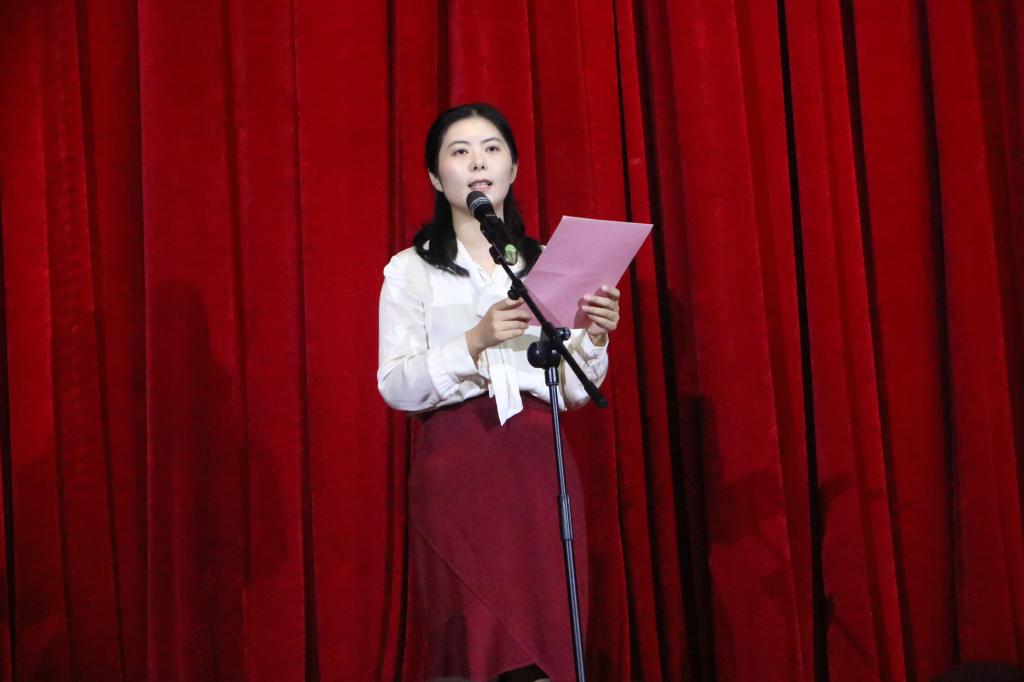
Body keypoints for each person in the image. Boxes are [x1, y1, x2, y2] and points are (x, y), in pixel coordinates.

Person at [377, 103, 621, 682]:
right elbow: (395, 384)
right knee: (473, 650)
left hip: (540, 470)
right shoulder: (411, 270)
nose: (477, 163)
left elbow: (573, 391)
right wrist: (475, 340)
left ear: (512, 168)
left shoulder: (550, 265)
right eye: (459, 152)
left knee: (546, 648)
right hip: (460, 472)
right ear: (436, 176)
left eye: (491, 149)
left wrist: (593, 337)